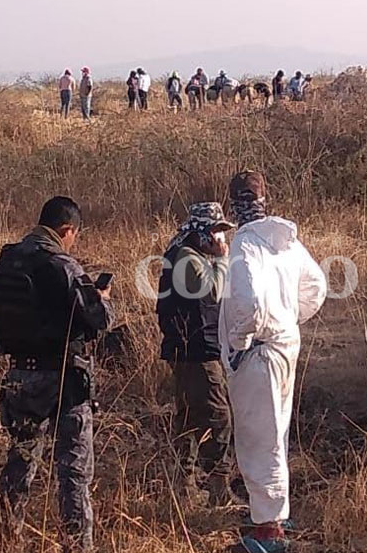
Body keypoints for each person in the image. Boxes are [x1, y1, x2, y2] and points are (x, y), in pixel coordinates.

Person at [0, 196, 114, 553]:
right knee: (73, 472)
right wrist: (102, 297)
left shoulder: (8, 259)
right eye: (74, 235)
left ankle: (10, 537)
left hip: (19, 378)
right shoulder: (63, 265)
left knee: (21, 460)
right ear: (66, 230)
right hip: (63, 380)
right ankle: (77, 545)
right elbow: (99, 319)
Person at [220, 171, 328, 553]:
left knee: (257, 437)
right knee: (277, 431)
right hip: (285, 343)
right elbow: (317, 288)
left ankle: (268, 531)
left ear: (234, 204)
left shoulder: (244, 245)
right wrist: (287, 317)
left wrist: (239, 340)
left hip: (259, 350)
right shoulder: (286, 242)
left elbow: (246, 304)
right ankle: (276, 513)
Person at [156, 202, 242, 507]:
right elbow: (213, 292)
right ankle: (219, 488)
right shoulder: (187, 260)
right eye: (217, 231)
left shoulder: (184, 254)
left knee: (190, 418)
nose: (220, 238)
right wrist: (223, 260)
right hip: (196, 352)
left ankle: (184, 486)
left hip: (190, 348)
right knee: (220, 417)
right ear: (202, 231)